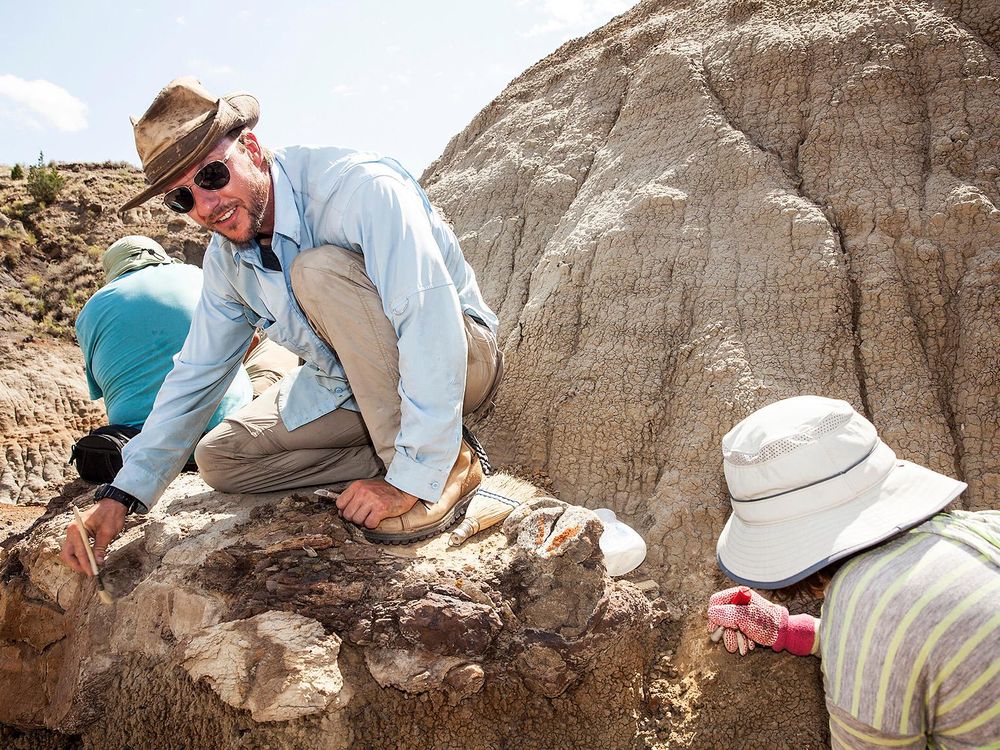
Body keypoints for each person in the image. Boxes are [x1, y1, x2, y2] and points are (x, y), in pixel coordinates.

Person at [61, 77, 502, 575]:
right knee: (220, 459)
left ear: (249, 147)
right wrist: (122, 493)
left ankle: (438, 466)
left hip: (460, 358)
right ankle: (425, 446)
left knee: (316, 271)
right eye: (181, 200)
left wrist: (415, 475)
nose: (206, 207)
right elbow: (196, 374)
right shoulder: (225, 260)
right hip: (350, 386)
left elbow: (427, 322)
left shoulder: (358, 190)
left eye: (211, 176)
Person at [705, 395, 999, 749]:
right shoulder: (983, 529)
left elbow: (883, 634)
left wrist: (847, 627)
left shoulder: (867, 605)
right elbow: (911, 644)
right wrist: (790, 630)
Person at [76, 235, 296, 435]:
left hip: (136, 441)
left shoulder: (88, 312)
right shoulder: (198, 275)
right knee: (277, 344)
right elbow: (249, 340)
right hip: (219, 432)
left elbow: (104, 387)